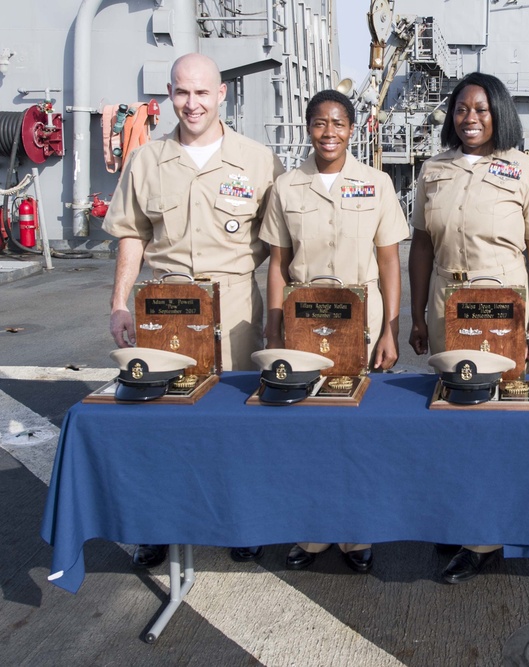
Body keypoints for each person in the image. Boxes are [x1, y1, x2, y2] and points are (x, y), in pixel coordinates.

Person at [104, 53, 283, 569]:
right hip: (165, 305)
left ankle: (241, 520)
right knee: (159, 422)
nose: (192, 103)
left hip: (234, 307)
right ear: (169, 94)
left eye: (202, 92)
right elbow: (132, 236)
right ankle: (158, 524)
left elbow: (281, 248)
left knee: (237, 421)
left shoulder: (258, 161)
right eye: (182, 93)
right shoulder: (147, 161)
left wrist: (278, 318)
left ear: (222, 94)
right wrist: (120, 303)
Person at [408, 72, 529, 584]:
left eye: (481, 110)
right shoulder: (434, 169)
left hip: (503, 307)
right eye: (461, 110)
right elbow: (422, 245)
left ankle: (487, 536)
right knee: (451, 414)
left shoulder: (526, 171)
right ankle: (458, 515)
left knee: (497, 420)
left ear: (499, 114)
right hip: (448, 303)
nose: (470, 119)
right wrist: (416, 314)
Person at [260, 89, 408, 573]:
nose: (329, 132)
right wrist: (273, 328)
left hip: (360, 323)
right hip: (303, 325)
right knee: (307, 429)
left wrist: (391, 328)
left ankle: (356, 531)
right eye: (320, 123)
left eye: (338, 123)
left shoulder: (377, 183)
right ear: (308, 128)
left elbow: (390, 262)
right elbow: (278, 264)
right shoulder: (287, 188)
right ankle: (314, 530)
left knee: (359, 429)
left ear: (352, 128)